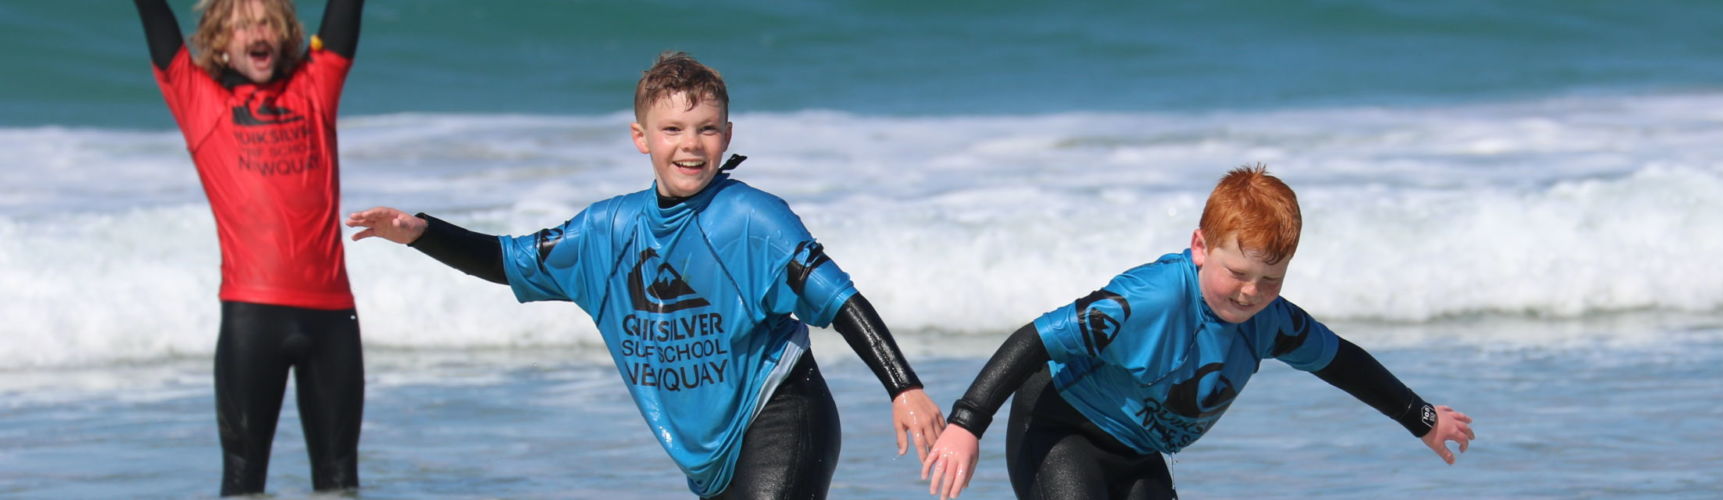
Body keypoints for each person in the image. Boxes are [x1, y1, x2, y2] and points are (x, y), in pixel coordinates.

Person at [345, 51, 945, 499]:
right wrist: (421, 232)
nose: (691, 145)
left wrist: (904, 385)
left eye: (707, 128)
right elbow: (508, 261)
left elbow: (839, 300)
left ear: (728, 136)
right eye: (673, 130)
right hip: (706, 452)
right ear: (642, 138)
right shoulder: (606, 232)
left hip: (781, 412)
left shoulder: (752, 219)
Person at [920, 166, 1477, 499]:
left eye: (1270, 280)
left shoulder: (1272, 322)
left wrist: (1419, 416)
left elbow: (1340, 362)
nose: (1250, 293)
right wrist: (967, 423)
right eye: (1236, 273)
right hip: (1060, 428)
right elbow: (1035, 339)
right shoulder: (1146, 300)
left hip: (1138, 453)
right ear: (1200, 246)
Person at [132, 0, 368, 495]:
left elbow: (345, 12)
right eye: (240, 27)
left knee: (341, 481)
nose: (254, 33)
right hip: (251, 319)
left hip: (333, 318)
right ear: (219, 42)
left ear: (283, 33)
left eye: (265, 22)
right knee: (242, 482)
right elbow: (156, 20)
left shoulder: (314, 87)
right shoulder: (199, 101)